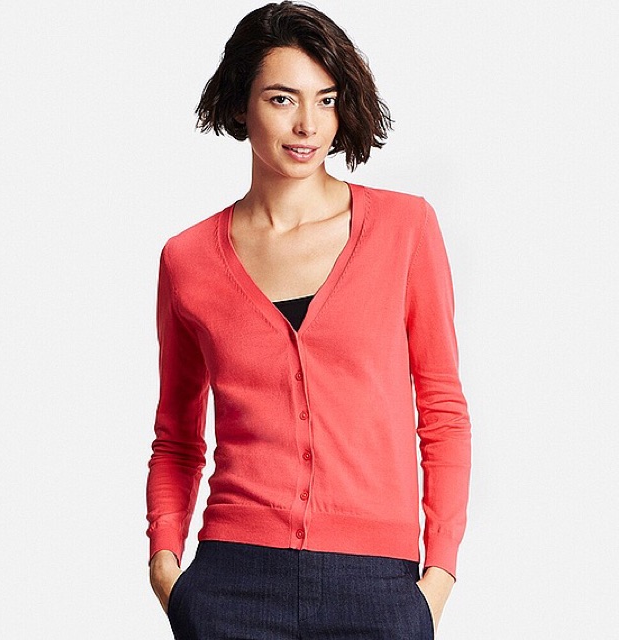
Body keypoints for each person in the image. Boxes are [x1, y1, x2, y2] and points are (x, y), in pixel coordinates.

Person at [145, 2, 472, 638]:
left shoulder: (404, 228)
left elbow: (442, 409)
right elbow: (177, 437)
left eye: (326, 100)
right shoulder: (187, 259)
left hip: (379, 586)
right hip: (230, 583)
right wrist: (166, 564)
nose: (307, 125)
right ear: (240, 105)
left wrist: (438, 576)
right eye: (281, 99)